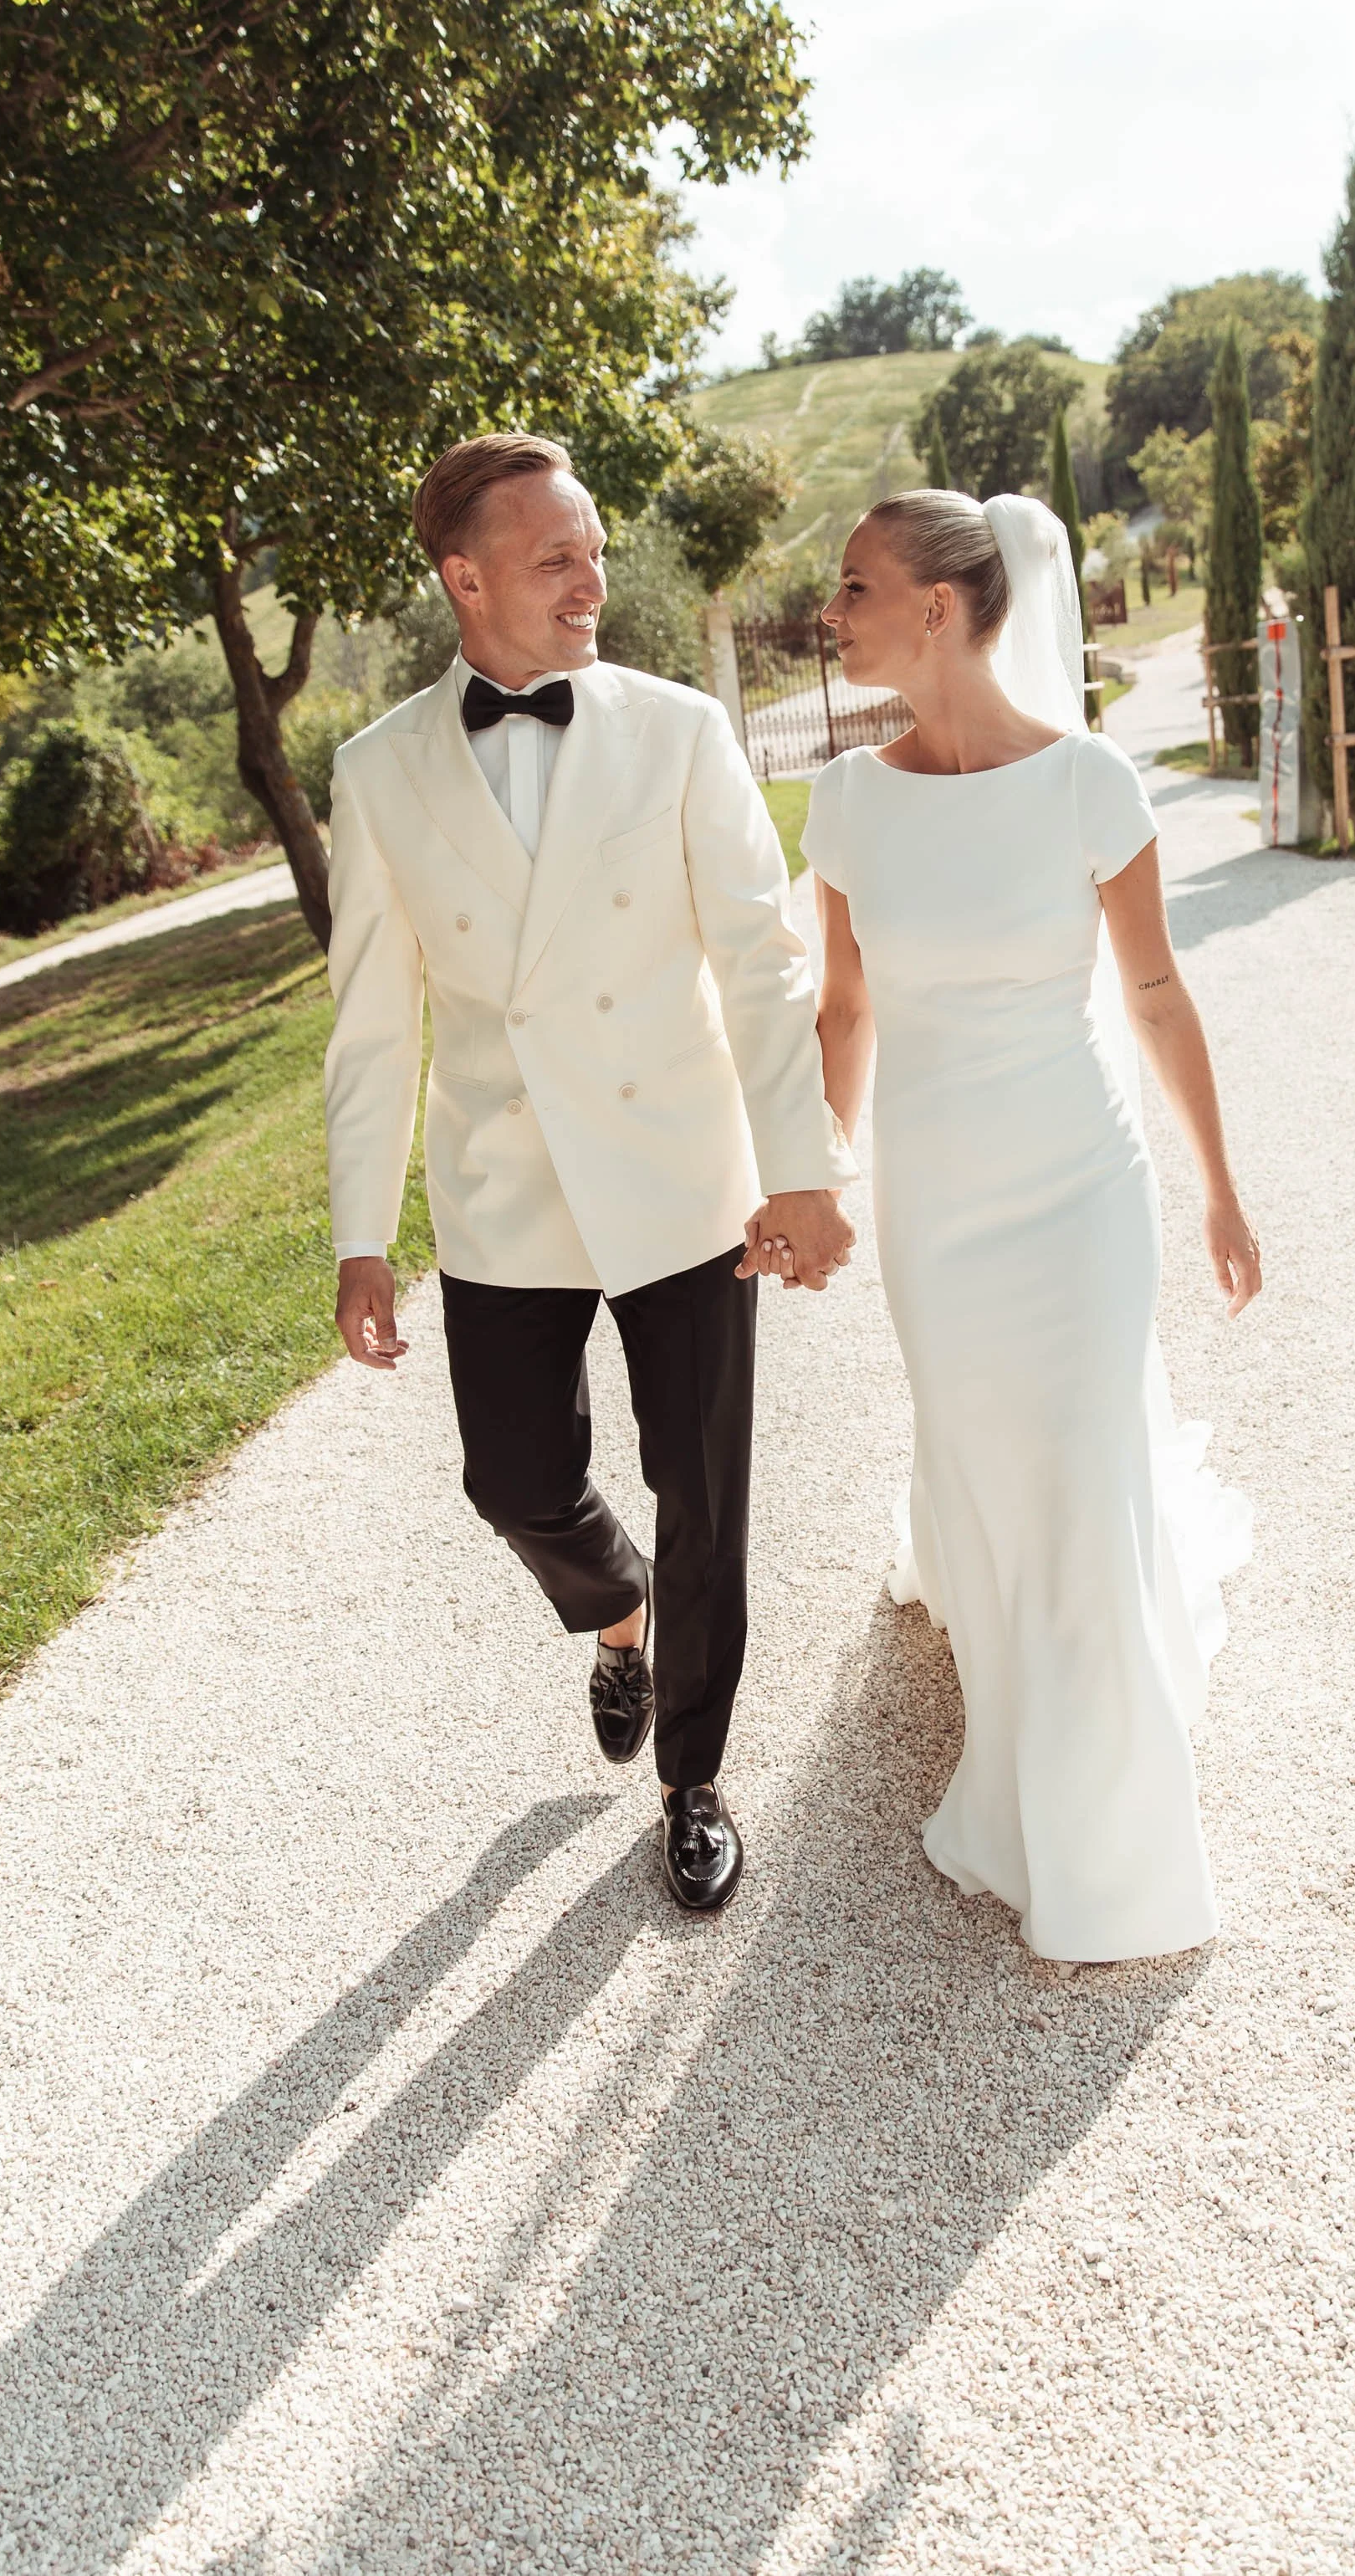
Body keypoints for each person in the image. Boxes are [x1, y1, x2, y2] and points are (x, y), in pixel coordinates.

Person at [323, 433, 855, 1914]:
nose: (591, 578)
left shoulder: (677, 729)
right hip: (505, 1187)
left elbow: (760, 960)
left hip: (684, 1173)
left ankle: (690, 1777)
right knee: (513, 1481)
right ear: (465, 576)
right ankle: (615, 1612)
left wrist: (802, 1168)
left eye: (596, 547)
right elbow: (372, 1026)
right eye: (556, 555)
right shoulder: (376, 774)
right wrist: (361, 1233)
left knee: (705, 1494)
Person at [775, 490, 1259, 1963]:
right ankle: (1014, 1689)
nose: (830, 613)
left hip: (1079, 1189)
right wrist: (817, 1170)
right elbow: (843, 1007)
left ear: (937, 607)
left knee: (1078, 1456)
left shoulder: (1089, 784)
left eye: (853, 587)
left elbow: (1158, 995)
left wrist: (1222, 1188)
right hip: (939, 1199)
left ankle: (1107, 1829)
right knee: (986, 1458)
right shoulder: (848, 802)